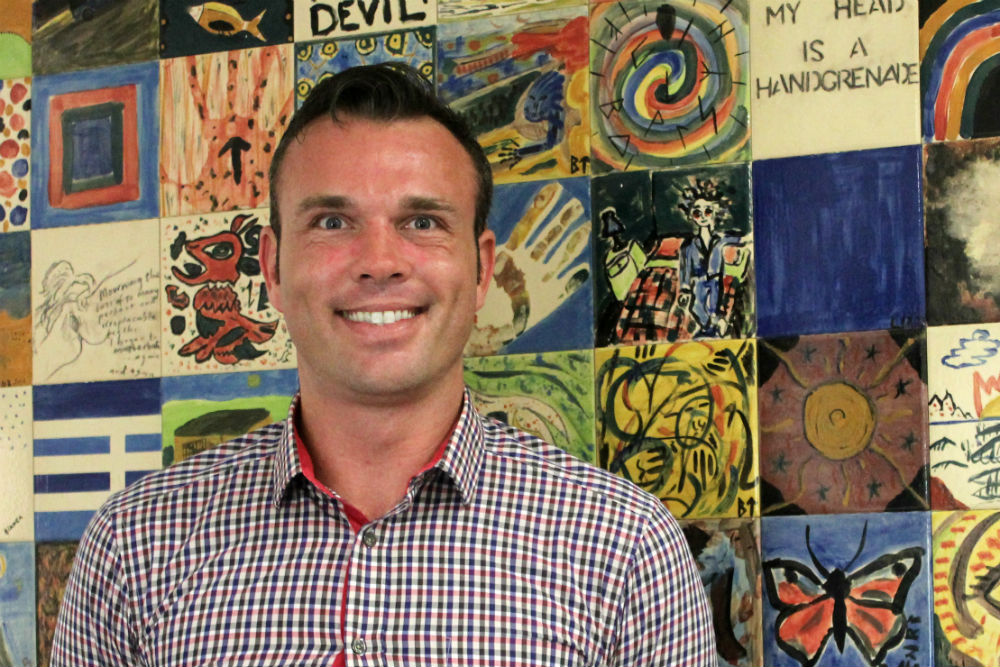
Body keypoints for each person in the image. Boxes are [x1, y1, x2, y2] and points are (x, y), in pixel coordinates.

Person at [51, 63, 715, 666]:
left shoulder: (626, 549)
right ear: (273, 269)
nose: (380, 260)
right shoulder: (133, 546)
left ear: (483, 268)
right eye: (333, 222)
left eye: (422, 222)